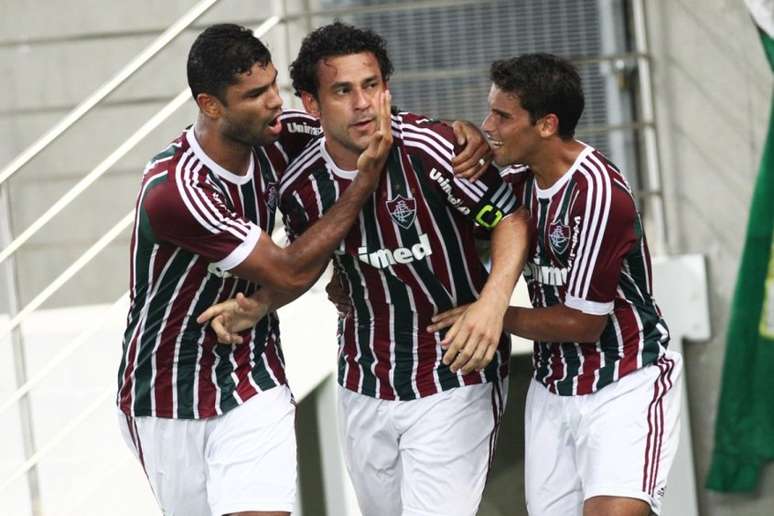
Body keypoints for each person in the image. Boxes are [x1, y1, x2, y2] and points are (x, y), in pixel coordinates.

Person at [200, 22, 530, 516]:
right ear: (311, 105)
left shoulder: (433, 151)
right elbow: (312, 259)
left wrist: (492, 304)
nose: (362, 103)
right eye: (343, 91)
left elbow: (509, 217)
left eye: (372, 86)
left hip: (454, 376)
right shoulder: (300, 185)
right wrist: (260, 305)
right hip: (363, 381)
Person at [115, 23, 395, 516]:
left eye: (273, 87)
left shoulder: (281, 135)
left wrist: (460, 135)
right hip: (166, 390)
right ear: (210, 105)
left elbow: (366, 124)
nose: (273, 103)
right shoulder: (176, 190)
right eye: (254, 94)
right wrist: (362, 185)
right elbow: (285, 274)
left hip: (253, 374)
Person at [430, 53, 682, 516]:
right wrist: (456, 131)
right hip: (551, 387)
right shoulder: (515, 181)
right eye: (489, 112)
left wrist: (489, 315)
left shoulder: (601, 194)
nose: (489, 125)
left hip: (624, 380)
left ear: (546, 125)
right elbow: (446, 231)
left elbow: (583, 322)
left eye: (502, 116)